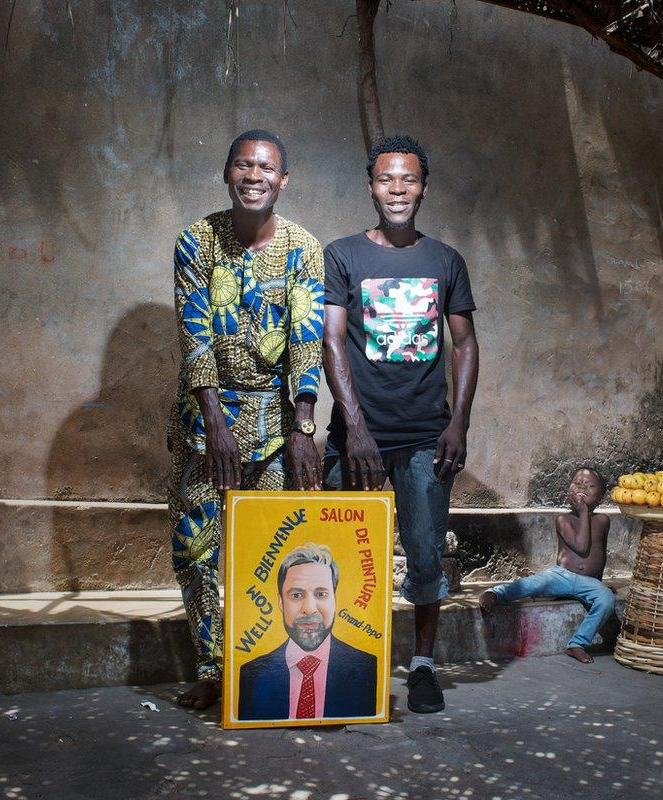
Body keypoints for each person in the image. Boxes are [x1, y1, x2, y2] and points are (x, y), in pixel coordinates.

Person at [322, 135, 479, 713]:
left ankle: (421, 667)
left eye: (408, 180)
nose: (397, 189)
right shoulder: (343, 255)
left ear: (423, 188)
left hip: (424, 436)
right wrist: (356, 429)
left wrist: (458, 421)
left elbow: (464, 344)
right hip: (356, 438)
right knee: (337, 552)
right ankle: (339, 664)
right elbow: (332, 341)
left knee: (425, 554)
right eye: (387, 179)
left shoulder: (444, 261)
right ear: (371, 186)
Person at [169, 130, 325, 710]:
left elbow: (306, 341)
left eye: (266, 168)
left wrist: (303, 428)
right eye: (243, 165)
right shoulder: (196, 242)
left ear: (283, 179)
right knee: (198, 549)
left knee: (271, 553)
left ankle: (260, 665)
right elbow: (195, 335)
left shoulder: (304, 249)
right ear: (226, 173)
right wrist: (214, 422)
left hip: (276, 421)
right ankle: (212, 669)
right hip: (207, 423)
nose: (254, 175)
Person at [480, 467, 615, 664]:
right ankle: (495, 594)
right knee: (532, 584)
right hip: (561, 576)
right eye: (577, 483)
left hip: (589, 583)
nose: (582, 487)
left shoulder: (603, 520)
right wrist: (583, 512)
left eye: (589, 486)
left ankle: (577, 643)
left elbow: (600, 553)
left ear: (601, 498)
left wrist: (600, 583)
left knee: (606, 599)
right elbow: (581, 546)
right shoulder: (563, 519)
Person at [238, 543, 377, 721]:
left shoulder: (369, 669)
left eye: (321, 594)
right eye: (296, 595)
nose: (309, 609)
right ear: (280, 602)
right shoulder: (251, 676)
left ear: (335, 600)